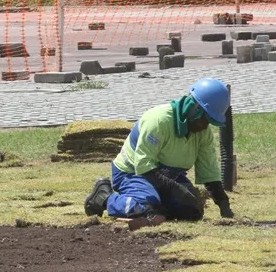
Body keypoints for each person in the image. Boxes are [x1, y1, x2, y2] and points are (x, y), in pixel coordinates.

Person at [83, 78, 235, 230]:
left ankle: (158, 206)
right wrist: (176, 189)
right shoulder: (158, 121)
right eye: (205, 119)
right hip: (133, 173)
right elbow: (143, 166)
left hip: (169, 177)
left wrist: (222, 202)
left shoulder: (203, 133)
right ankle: (104, 197)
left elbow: (209, 169)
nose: (205, 126)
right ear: (193, 109)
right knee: (145, 209)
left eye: (210, 121)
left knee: (191, 212)